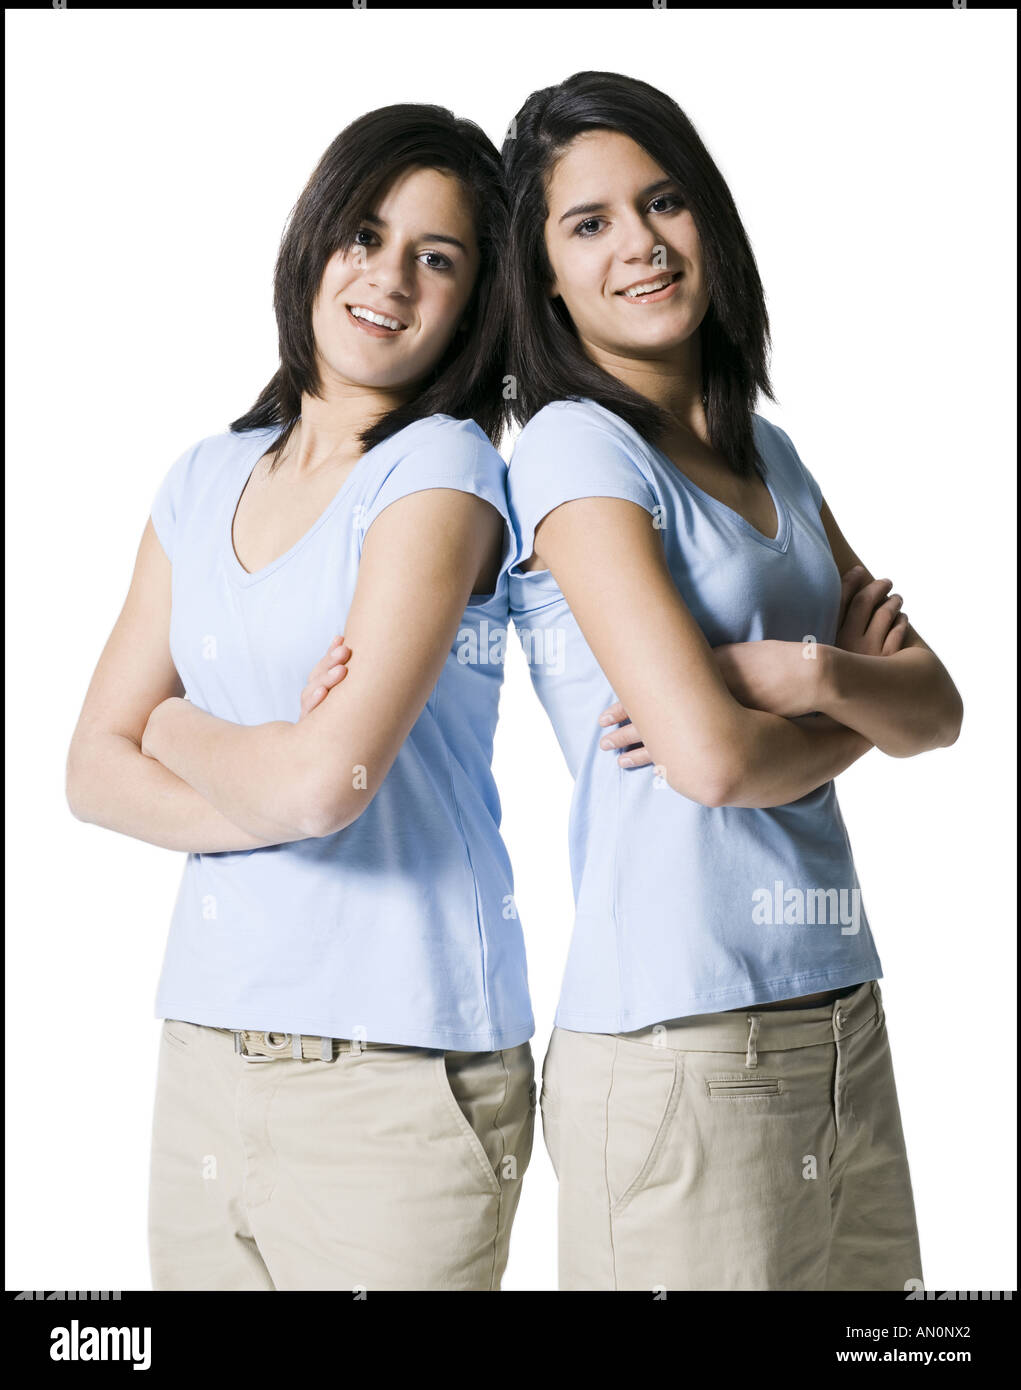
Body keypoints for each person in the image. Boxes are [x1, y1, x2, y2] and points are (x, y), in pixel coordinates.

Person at [497, 70, 963, 1290]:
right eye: (587, 224)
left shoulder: (773, 452)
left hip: (840, 1018)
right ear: (542, 272)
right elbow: (709, 760)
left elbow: (944, 710)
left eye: (664, 203)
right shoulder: (571, 450)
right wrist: (851, 687)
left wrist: (795, 669)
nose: (640, 246)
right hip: (681, 1045)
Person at [66, 104, 534, 1292]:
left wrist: (172, 724)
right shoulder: (201, 477)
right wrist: (272, 768)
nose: (388, 278)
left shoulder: (443, 471)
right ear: (314, 242)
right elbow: (88, 768)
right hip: (208, 1049)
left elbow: (324, 778)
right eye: (364, 236)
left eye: (438, 258)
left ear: (475, 300)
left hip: (400, 1070)